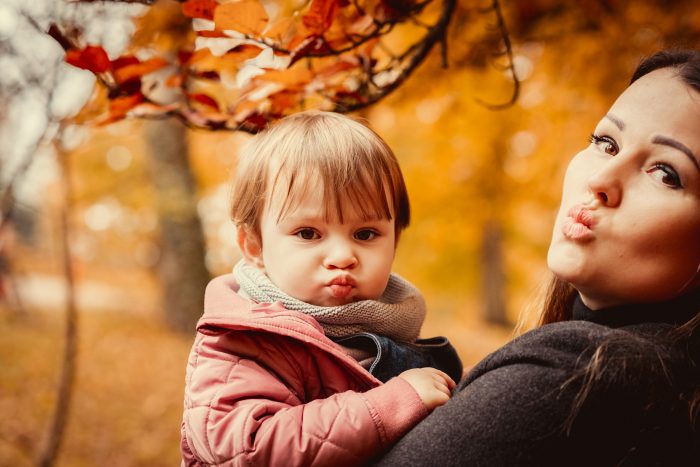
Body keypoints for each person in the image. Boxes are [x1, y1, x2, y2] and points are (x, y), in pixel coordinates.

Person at [377, 48, 700, 466]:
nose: (601, 180)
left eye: (665, 173)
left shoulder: (581, 375)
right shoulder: (666, 383)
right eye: (606, 143)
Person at [180, 111, 462, 466]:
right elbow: (249, 449)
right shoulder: (244, 341)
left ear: (395, 242)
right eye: (308, 234)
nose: (343, 256)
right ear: (254, 246)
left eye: (365, 234)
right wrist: (390, 405)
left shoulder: (388, 328)